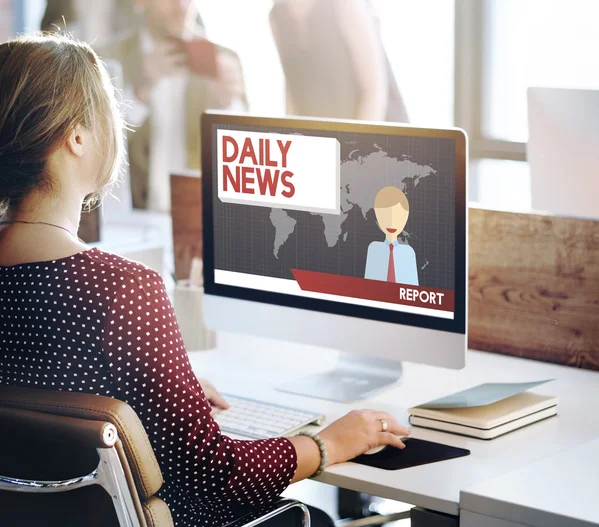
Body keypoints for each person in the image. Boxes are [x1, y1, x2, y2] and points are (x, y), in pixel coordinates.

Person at [0, 34, 411, 527]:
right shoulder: (122, 292)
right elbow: (214, 476)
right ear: (77, 137)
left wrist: (159, 386)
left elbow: (40, 386)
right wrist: (328, 444)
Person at [100, 0, 247, 211]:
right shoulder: (108, 58)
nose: (181, 6)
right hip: (130, 216)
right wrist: (139, 92)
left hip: (198, 213)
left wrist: (226, 104)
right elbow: (97, 146)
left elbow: (242, 159)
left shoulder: (224, 59)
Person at [270, 0, 409, 122]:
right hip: (329, 136)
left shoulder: (346, 4)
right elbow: (293, 85)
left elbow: (375, 91)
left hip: (376, 128)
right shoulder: (276, 16)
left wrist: (355, 144)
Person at [364, 187, 419, 285]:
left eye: (398, 217)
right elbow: (368, 286)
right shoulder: (374, 249)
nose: (391, 222)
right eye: (385, 216)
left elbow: (412, 287)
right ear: (377, 220)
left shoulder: (408, 252)